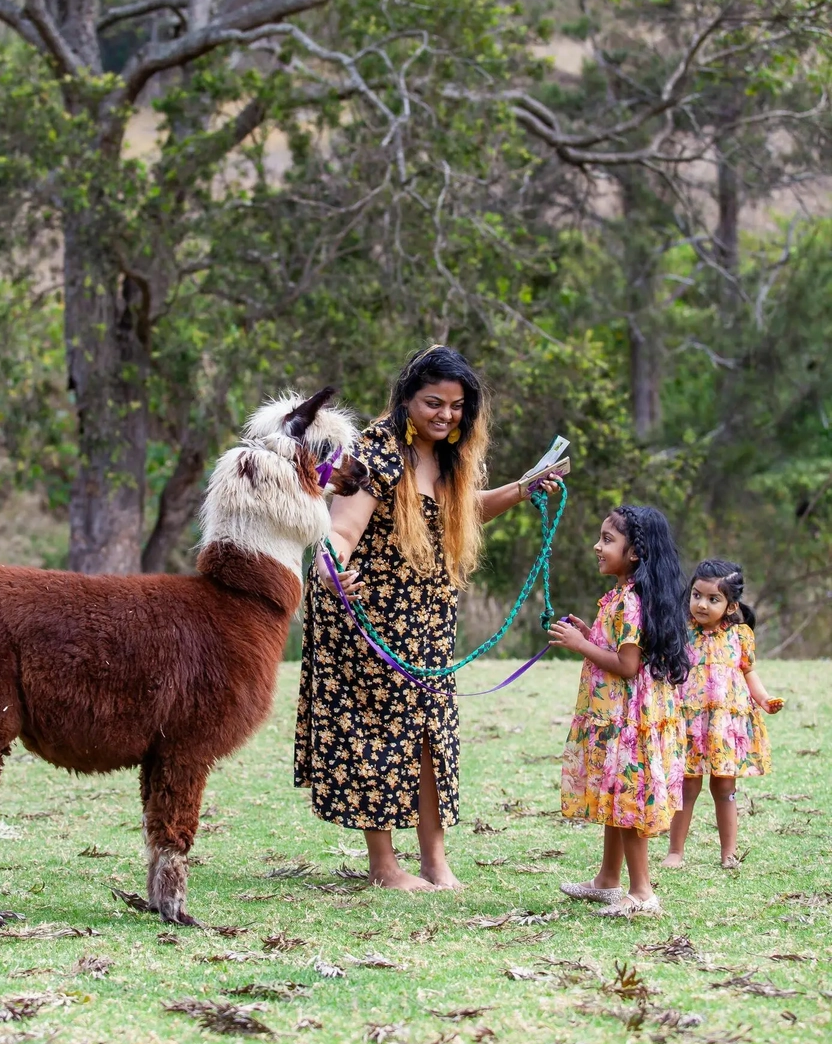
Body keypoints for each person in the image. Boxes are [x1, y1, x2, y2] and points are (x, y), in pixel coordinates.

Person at [294, 344, 562, 892]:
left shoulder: (452, 455)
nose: (445, 415)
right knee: (377, 735)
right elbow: (340, 531)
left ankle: (435, 862)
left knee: (430, 735)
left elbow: (461, 511)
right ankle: (384, 866)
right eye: (432, 403)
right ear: (405, 399)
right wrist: (329, 567)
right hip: (365, 612)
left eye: (457, 406)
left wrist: (522, 488)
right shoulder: (375, 452)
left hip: (428, 614)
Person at [549, 505, 689, 917]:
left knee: (628, 800)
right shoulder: (623, 597)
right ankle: (608, 880)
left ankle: (642, 892)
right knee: (616, 795)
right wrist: (592, 635)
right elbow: (625, 652)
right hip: (619, 715)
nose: (597, 545)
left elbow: (628, 667)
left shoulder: (630, 601)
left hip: (629, 719)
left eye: (608, 539)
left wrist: (580, 644)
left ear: (635, 553)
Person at [662, 559, 781, 871]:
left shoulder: (740, 636)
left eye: (713, 599)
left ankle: (728, 852)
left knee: (725, 788)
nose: (701, 604)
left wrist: (765, 699)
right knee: (687, 786)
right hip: (690, 722)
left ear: (731, 606)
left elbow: (749, 674)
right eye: (697, 595)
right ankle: (675, 851)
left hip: (725, 725)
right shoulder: (681, 633)